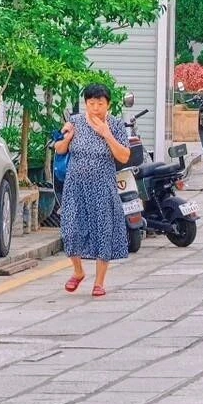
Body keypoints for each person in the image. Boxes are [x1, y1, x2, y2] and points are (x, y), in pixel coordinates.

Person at [53, 82, 134, 297]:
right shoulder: (76, 122)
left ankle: (99, 282)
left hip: (102, 187)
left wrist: (106, 134)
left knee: (103, 231)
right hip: (75, 187)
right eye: (91, 103)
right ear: (85, 104)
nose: (96, 108)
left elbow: (124, 156)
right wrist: (68, 137)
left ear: (108, 104)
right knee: (70, 229)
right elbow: (60, 149)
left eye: (100, 103)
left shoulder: (115, 125)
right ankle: (78, 272)